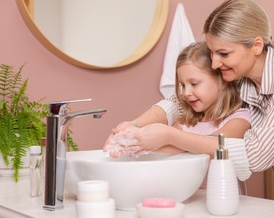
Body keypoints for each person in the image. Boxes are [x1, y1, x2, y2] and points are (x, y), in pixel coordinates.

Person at [105, 0, 274, 216]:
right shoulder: (242, 81)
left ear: (256, 45)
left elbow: (257, 155)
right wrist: (135, 126)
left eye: (223, 53)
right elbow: (178, 101)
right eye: (211, 53)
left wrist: (169, 135)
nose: (214, 63)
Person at [104, 41, 251, 158]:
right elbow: (168, 147)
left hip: (223, 194)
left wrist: (167, 135)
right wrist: (129, 141)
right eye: (182, 85)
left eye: (194, 84)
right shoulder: (186, 122)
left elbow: (215, 146)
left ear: (222, 81)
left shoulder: (240, 119)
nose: (186, 93)